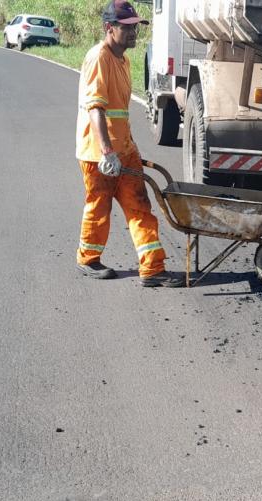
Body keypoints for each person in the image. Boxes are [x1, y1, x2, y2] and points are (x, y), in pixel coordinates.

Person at [75, 0, 185, 287]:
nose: (133, 32)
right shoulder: (98, 58)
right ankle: (88, 259)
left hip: (124, 151)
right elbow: (96, 108)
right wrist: (106, 152)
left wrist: (128, 146)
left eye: (135, 27)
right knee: (99, 207)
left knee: (140, 205)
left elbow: (119, 113)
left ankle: (152, 268)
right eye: (127, 27)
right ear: (109, 28)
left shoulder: (122, 60)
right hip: (99, 154)